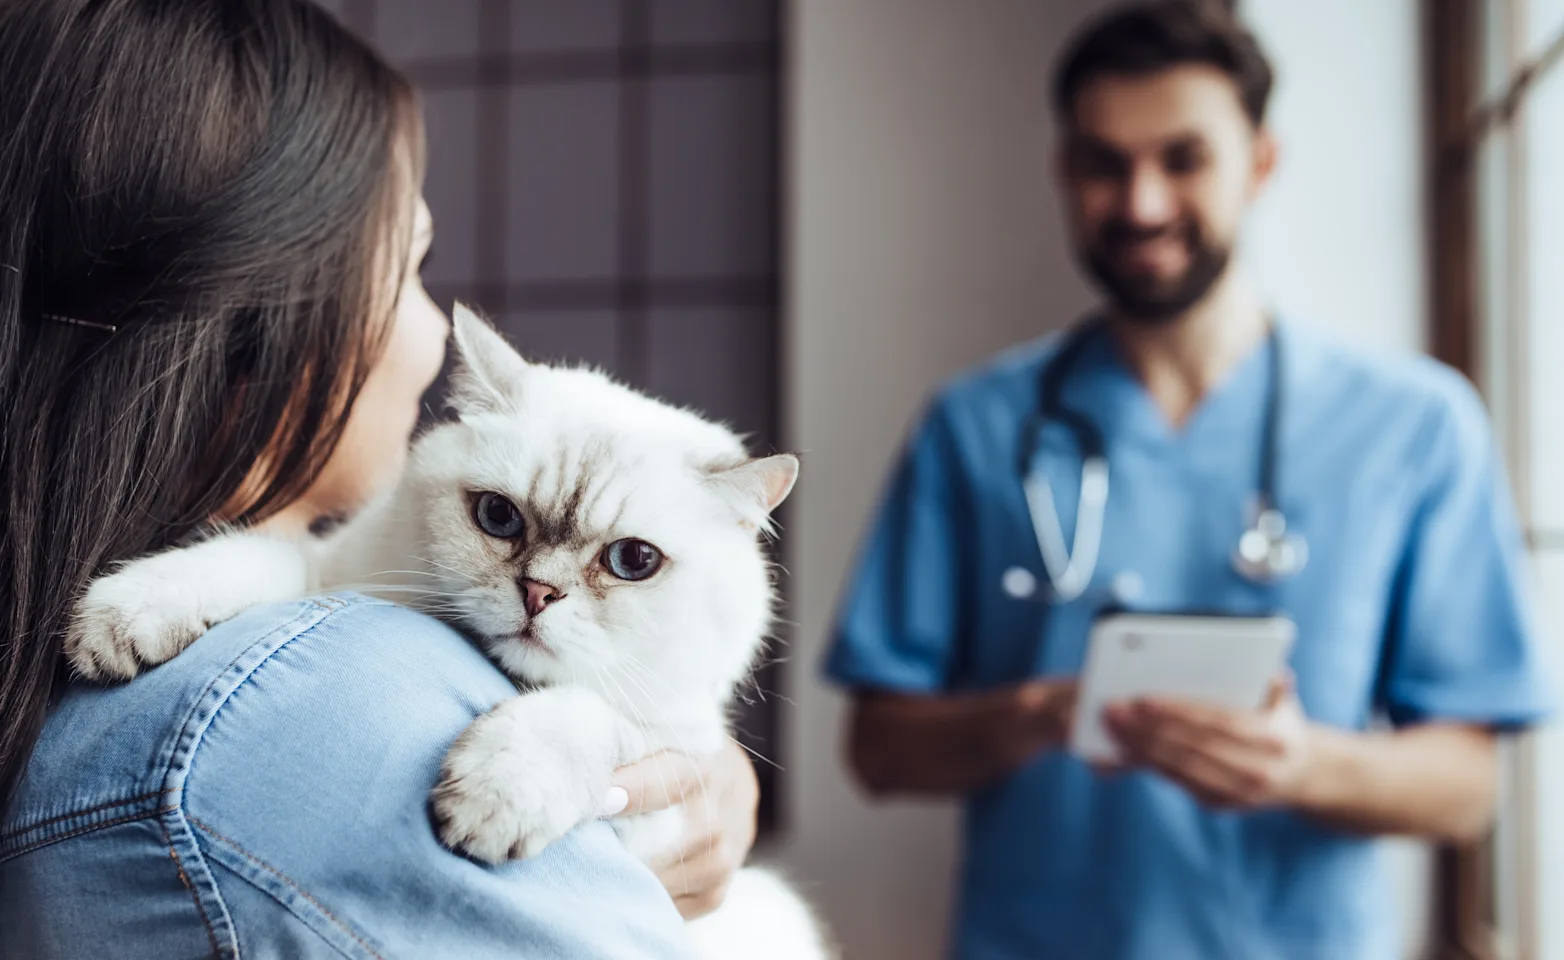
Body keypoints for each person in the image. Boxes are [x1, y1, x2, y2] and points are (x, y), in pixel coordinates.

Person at [0, 1, 754, 955]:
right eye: (413, 266)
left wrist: (680, 752)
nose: (440, 331)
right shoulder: (334, 700)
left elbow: (312, 575)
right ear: (251, 318)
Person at [824, 3, 1552, 959]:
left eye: (1184, 159)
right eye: (1104, 164)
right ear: (1063, 171)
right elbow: (878, 748)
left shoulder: (1414, 426)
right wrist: (1038, 715)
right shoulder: (975, 426)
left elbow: (1468, 789)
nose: (1142, 203)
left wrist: (1302, 766)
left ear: (1261, 162)